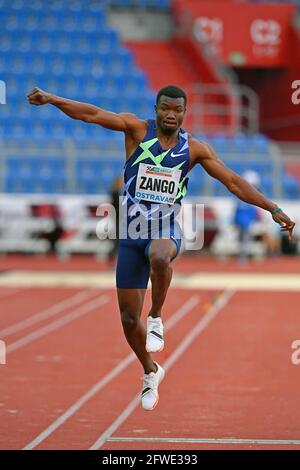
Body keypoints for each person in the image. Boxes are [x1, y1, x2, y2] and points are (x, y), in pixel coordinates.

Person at [27, 85, 295, 411]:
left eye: (177, 110)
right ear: (156, 108)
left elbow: (233, 182)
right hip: (130, 235)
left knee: (159, 255)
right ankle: (150, 370)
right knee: (127, 319)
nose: (171, 114)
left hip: (166, 230)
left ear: (185, 112)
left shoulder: (194, 149)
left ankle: (156, 316)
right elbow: (93, 115)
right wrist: (53, 99)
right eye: (165, 108)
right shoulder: (137, 130)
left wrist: (272, 208)